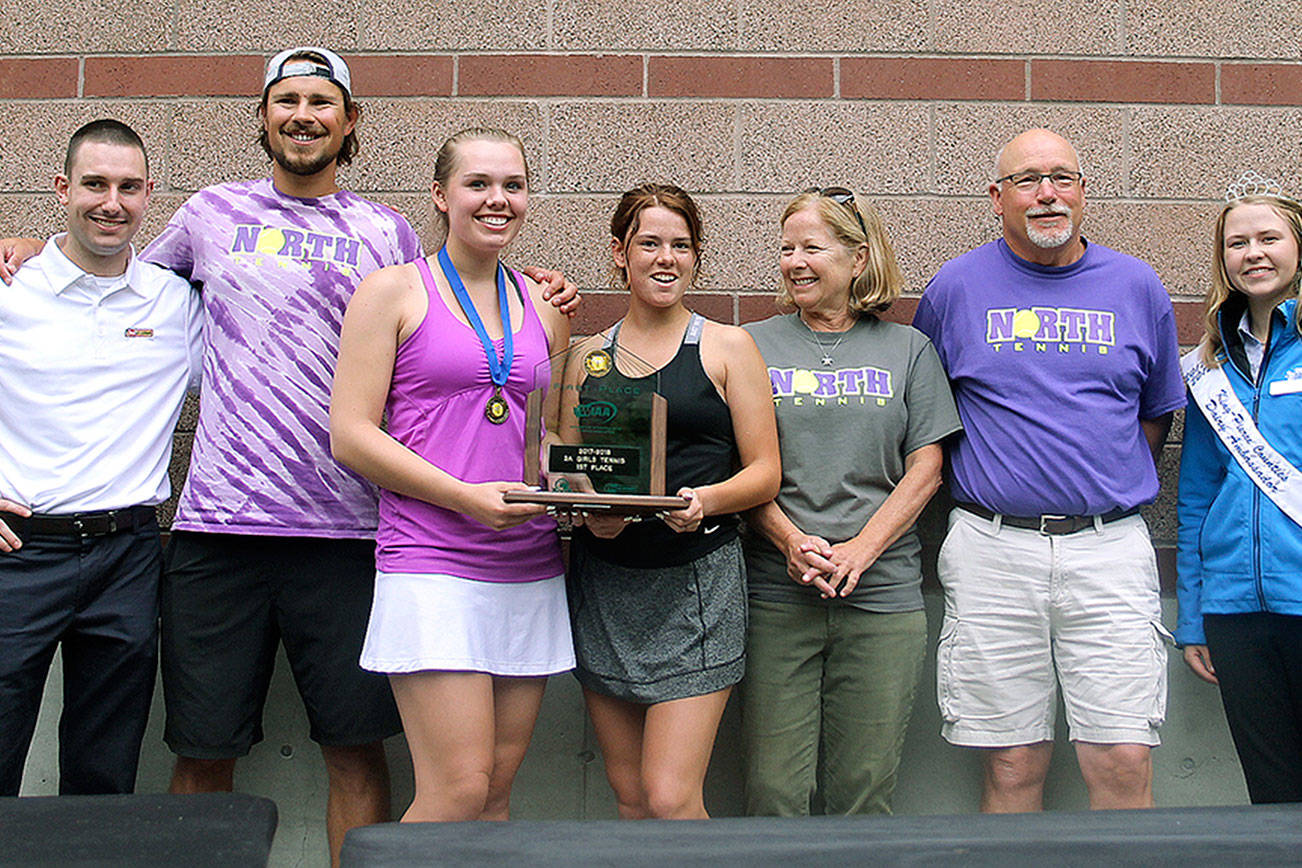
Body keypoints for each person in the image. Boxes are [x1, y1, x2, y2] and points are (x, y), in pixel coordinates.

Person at [0, 47, 576, 866]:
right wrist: (33, 247)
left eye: (321, 101)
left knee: (353, 748)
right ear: (264, 116)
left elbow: (458, 312)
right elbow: (116, 278)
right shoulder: (207, 214)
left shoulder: (387, 232)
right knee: (203, 751)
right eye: (286, 100)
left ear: (348, 123)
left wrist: (537, 291)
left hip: (347, 534)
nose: (303, 114)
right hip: (218, 534)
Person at [912, 128, 1185, 812]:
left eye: (1063, 177)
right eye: (1029, 180)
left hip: (1110, 546)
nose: (1047, 194)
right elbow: (928, 419)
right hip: (992, 548)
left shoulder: (1136, 284)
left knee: (1122, 757)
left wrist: (1093, 482)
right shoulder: (955, 287)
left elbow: (1155, 415)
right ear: (997, 197)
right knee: (1012, 763)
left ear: (1084, 191)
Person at [330, 127, 573, 822]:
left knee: (494, 793)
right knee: (457, 789)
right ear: (440, 195)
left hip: (527, 564)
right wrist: (464, 497)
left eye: (513, 185)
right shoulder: (391, 291)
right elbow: (350, 434)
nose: (498, 199)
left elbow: (542, 432)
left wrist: (583, 489)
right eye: (479, 184)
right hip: (433, 561)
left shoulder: (543, 307)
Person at [740, 188, 960, 815]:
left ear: (858, 258)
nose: (794, 262)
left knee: (863, 792)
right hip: (779, 594)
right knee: (772, 790)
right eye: (786, 249)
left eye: (812, 247)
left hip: (883, 597)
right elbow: (743, 468)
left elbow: (927, 467)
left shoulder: (908, 350)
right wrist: (792, 543)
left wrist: (861, 551)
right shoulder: (750, 345)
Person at [563, 183, 780, 820]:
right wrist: (586, 515)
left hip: (697, 589)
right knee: (631, 796)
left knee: (671, 795)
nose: (666, 258)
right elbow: (574, 470)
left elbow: (765, 473)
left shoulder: (727, 347)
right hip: (607, 587)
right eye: (650, 243)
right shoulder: (587, 357)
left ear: (697, 257)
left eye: (681, 246)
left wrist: (705, 501)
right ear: (619, 254)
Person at [0, 120, 202, 796]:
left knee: (104, 775)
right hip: (18, 554)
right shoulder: (9, 289)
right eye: (94, 184)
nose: (110, 203)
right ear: (62, 189)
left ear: (148, 194)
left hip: (129, 554)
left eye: (127, 187)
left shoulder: (175, 304)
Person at [1176, 175, 1302, 804]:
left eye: (1269, 238)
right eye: (1237, 242)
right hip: (1235, 611)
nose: (1253, 252)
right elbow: (1196, 494)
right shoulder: (1208, 363)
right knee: (1272, 790)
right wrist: (1194, 614)